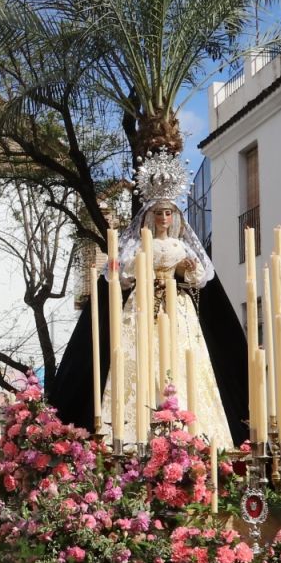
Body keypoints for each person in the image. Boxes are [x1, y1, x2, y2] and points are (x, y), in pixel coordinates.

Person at [102, 157, 232, 450]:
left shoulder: (180, 245)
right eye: (159, 213)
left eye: (168, 213)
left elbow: (199, 275)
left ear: (175, 218)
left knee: (182, 357)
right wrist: (138, 264)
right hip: (143, 304)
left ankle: (190, 425)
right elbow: (120, 274)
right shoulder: (137, 245)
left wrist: (185, 267)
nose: (163, 218)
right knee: (139, 355)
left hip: (176, 304)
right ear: (150, 217)